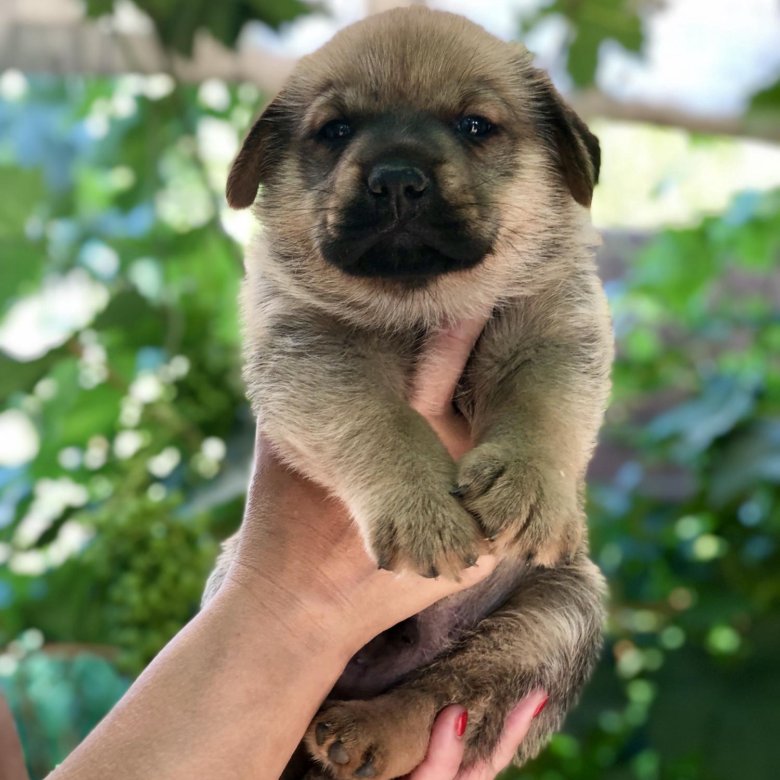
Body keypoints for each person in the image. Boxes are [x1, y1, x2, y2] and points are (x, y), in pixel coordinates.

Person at [2, 319, 546, 780]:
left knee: (564, 609)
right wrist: (291, 599)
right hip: (307, 646)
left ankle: (419, 707)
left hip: (469, 630)